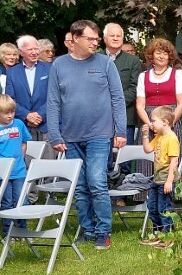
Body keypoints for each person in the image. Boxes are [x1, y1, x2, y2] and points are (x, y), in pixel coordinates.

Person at [47, 20, 127, 251]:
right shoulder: (59, 65)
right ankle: (87, 229)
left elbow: (118, 98)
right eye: (90, 39)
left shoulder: (105, 63)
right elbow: (52, 102)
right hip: (70, 136)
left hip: (100, 134)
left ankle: (103, 232)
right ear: (75, 39)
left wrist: (120, 131)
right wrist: (55, 135)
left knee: (97, 182)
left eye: (96, 39)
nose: (95, 43)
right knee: (80, 186)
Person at [0, 94, 31, 236]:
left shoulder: (19, 124)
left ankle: (22, 231)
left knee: (21, 200)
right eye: (6, 113)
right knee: (7, 202)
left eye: (12, 112)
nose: (10, 115)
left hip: (19, 171)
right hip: (2, 174)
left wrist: (20, 157)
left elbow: (24, 142)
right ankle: (8, 232)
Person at [140, 106, 180, 248]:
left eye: (154, 121)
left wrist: (169, 181)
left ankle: (169, 236)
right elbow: (147, 149)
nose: (152, 123)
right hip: (156, 179)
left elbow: (174, 162)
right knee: (152, 207)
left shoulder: (172, 139)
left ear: (165, 122)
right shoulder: (159, 136)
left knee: (164, 209)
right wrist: (145, 136)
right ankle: (158, 234)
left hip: (165, 180)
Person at [136, 38, 182, 141]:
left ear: (169, 56)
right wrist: (151, 125)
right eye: (158, 53)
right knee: (147, 151)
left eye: (165, 54)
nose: (161, 56)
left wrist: (168, 125)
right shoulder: (143, 76)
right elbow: (140, 106)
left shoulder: (178, 74)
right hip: (149, 121)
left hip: (171, 121)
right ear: (152, 55)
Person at [5, 35, 52, 142]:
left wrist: (40, 115)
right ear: (20, 52)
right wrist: (27, 115)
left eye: (36, 49)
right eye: (30, 49)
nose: (34, 52)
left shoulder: (50, 69)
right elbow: (10, 100)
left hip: (46, 125)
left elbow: (55, 96)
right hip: (23, 126)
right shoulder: (12, 73)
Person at [103, 23, 143, 144]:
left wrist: (114, 103)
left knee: (124, 154)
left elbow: (135, 87)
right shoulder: (95, 58)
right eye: (112, 36)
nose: (115, 38)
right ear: (104, 38)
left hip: (125, 117)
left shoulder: (133, 61)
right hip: (99, 118)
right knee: (102, 153)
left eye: (118, 36)